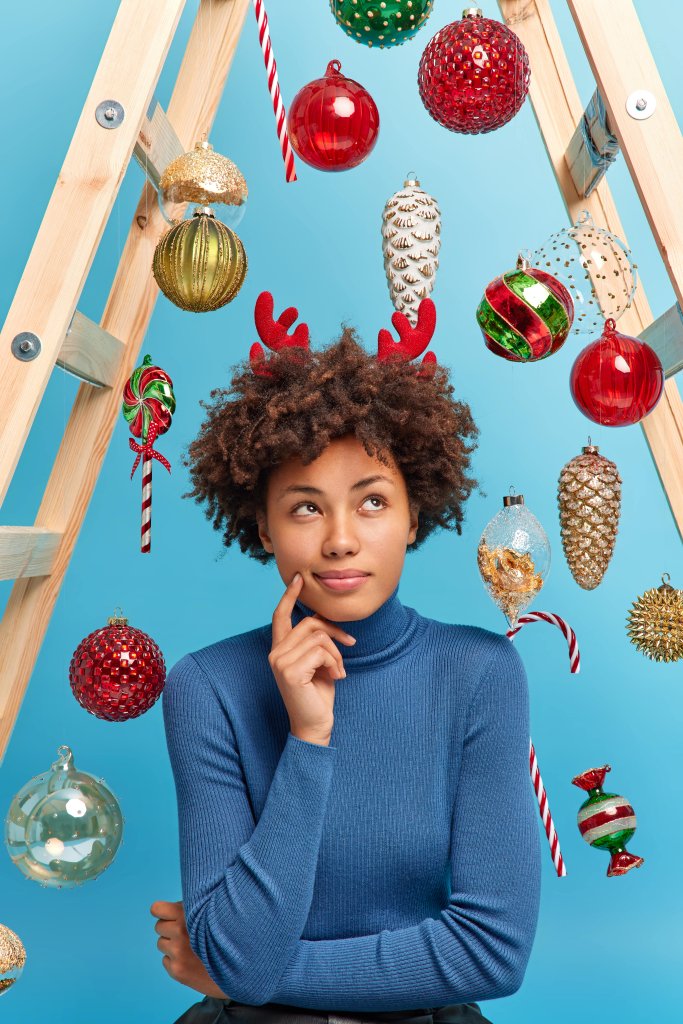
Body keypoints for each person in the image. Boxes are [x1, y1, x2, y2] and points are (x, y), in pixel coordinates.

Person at [152, 293, 542, 1024]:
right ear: (262, 527)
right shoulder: (206, 686)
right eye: (304, 507)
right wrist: (308, 738)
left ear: (413, 513)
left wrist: (255, 974)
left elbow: (492, 952)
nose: (339, 539)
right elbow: (239, 955)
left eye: (370, 502)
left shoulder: (480, 672)